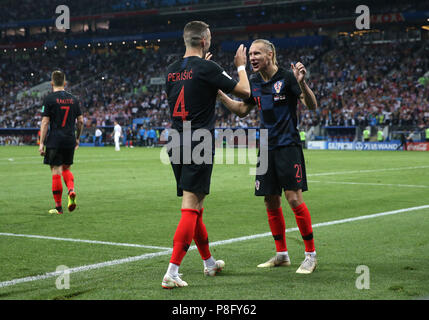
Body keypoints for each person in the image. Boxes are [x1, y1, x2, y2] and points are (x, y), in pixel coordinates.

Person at [161, 20, 250, 289]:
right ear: (203, 41)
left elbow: (192, 86)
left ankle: (209, 262)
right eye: (209, 37)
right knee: (191, 205)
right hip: (198, 141)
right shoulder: (208, 68)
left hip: (175, 140)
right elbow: (245, 91)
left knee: (197, 205)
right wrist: (240, 66)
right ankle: (172, 271)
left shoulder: (171, 70)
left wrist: (207, 72)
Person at [217, 39, 318, 274]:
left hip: (288, 146)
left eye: (257, 53)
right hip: (265, 147)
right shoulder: (253, 82)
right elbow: (243, 110)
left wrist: (303, 85)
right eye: (250, 54)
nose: (252, 57)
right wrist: (221, 95)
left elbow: (311, 105)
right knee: (270, 200)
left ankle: (310, 255)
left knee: (293, 199)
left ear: (270, 54)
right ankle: (282, 254)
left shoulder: (288, 77)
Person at [38, 70, 83, 215]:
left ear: (52, 83)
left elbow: (45, 123)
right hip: (69, 139)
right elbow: (81, 121)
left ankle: (58, 208)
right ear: (65, 83)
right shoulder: (74, 99)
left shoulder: (49, 99)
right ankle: (71, 190)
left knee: (56, 171)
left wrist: (41, 143)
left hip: (55, 140)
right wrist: (77, 138)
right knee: (66, 169)